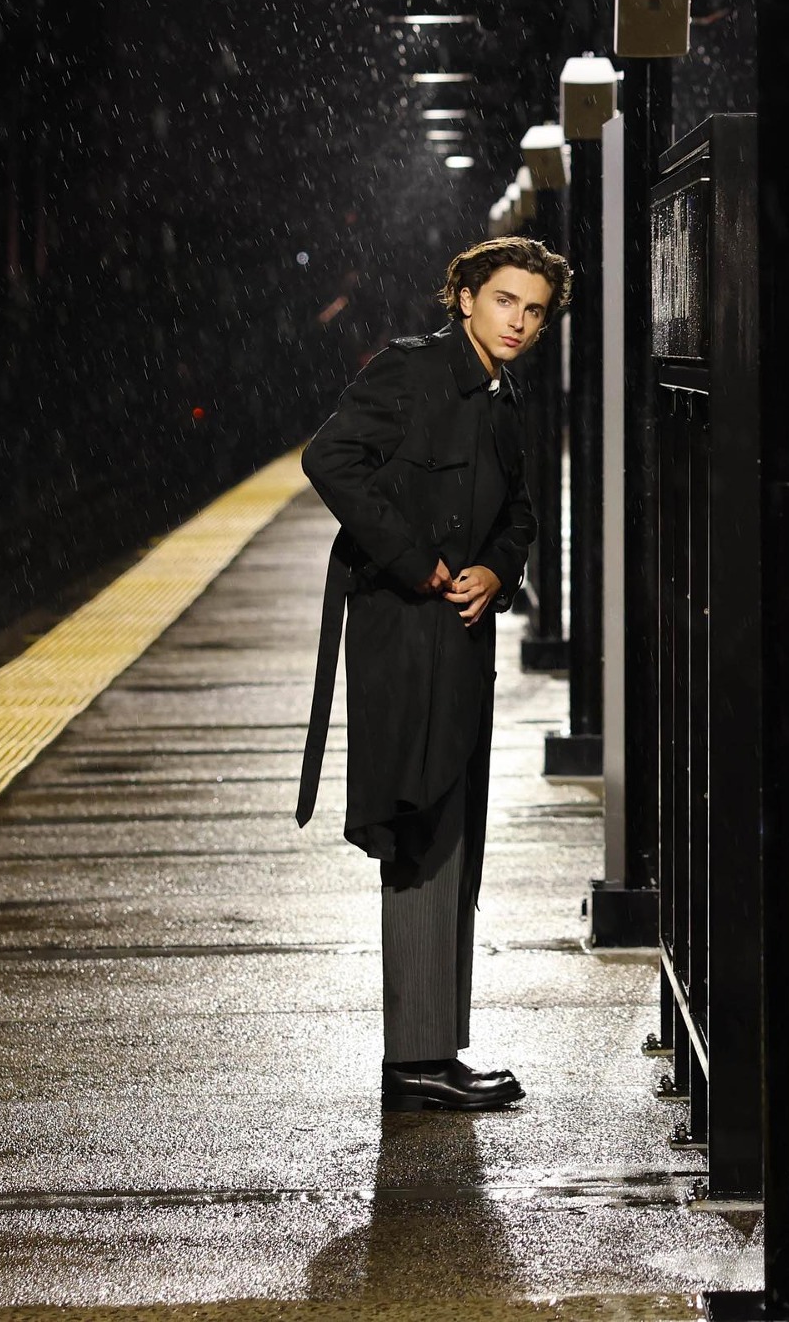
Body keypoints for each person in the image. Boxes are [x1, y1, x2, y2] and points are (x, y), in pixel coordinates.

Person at [296, 235, 572, 1112]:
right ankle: (416, 1060)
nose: (518, 322)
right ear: (465, 298)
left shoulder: (502, 393)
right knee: (420, 819)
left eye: (534, 311)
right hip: (405, 633)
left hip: (459, 635)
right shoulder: (411, 370)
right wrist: (415, 561)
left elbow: (518, 511)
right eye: (505, 301)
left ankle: (433, 1048)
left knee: (454, 824)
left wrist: (496, 569)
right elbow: (329, 459)